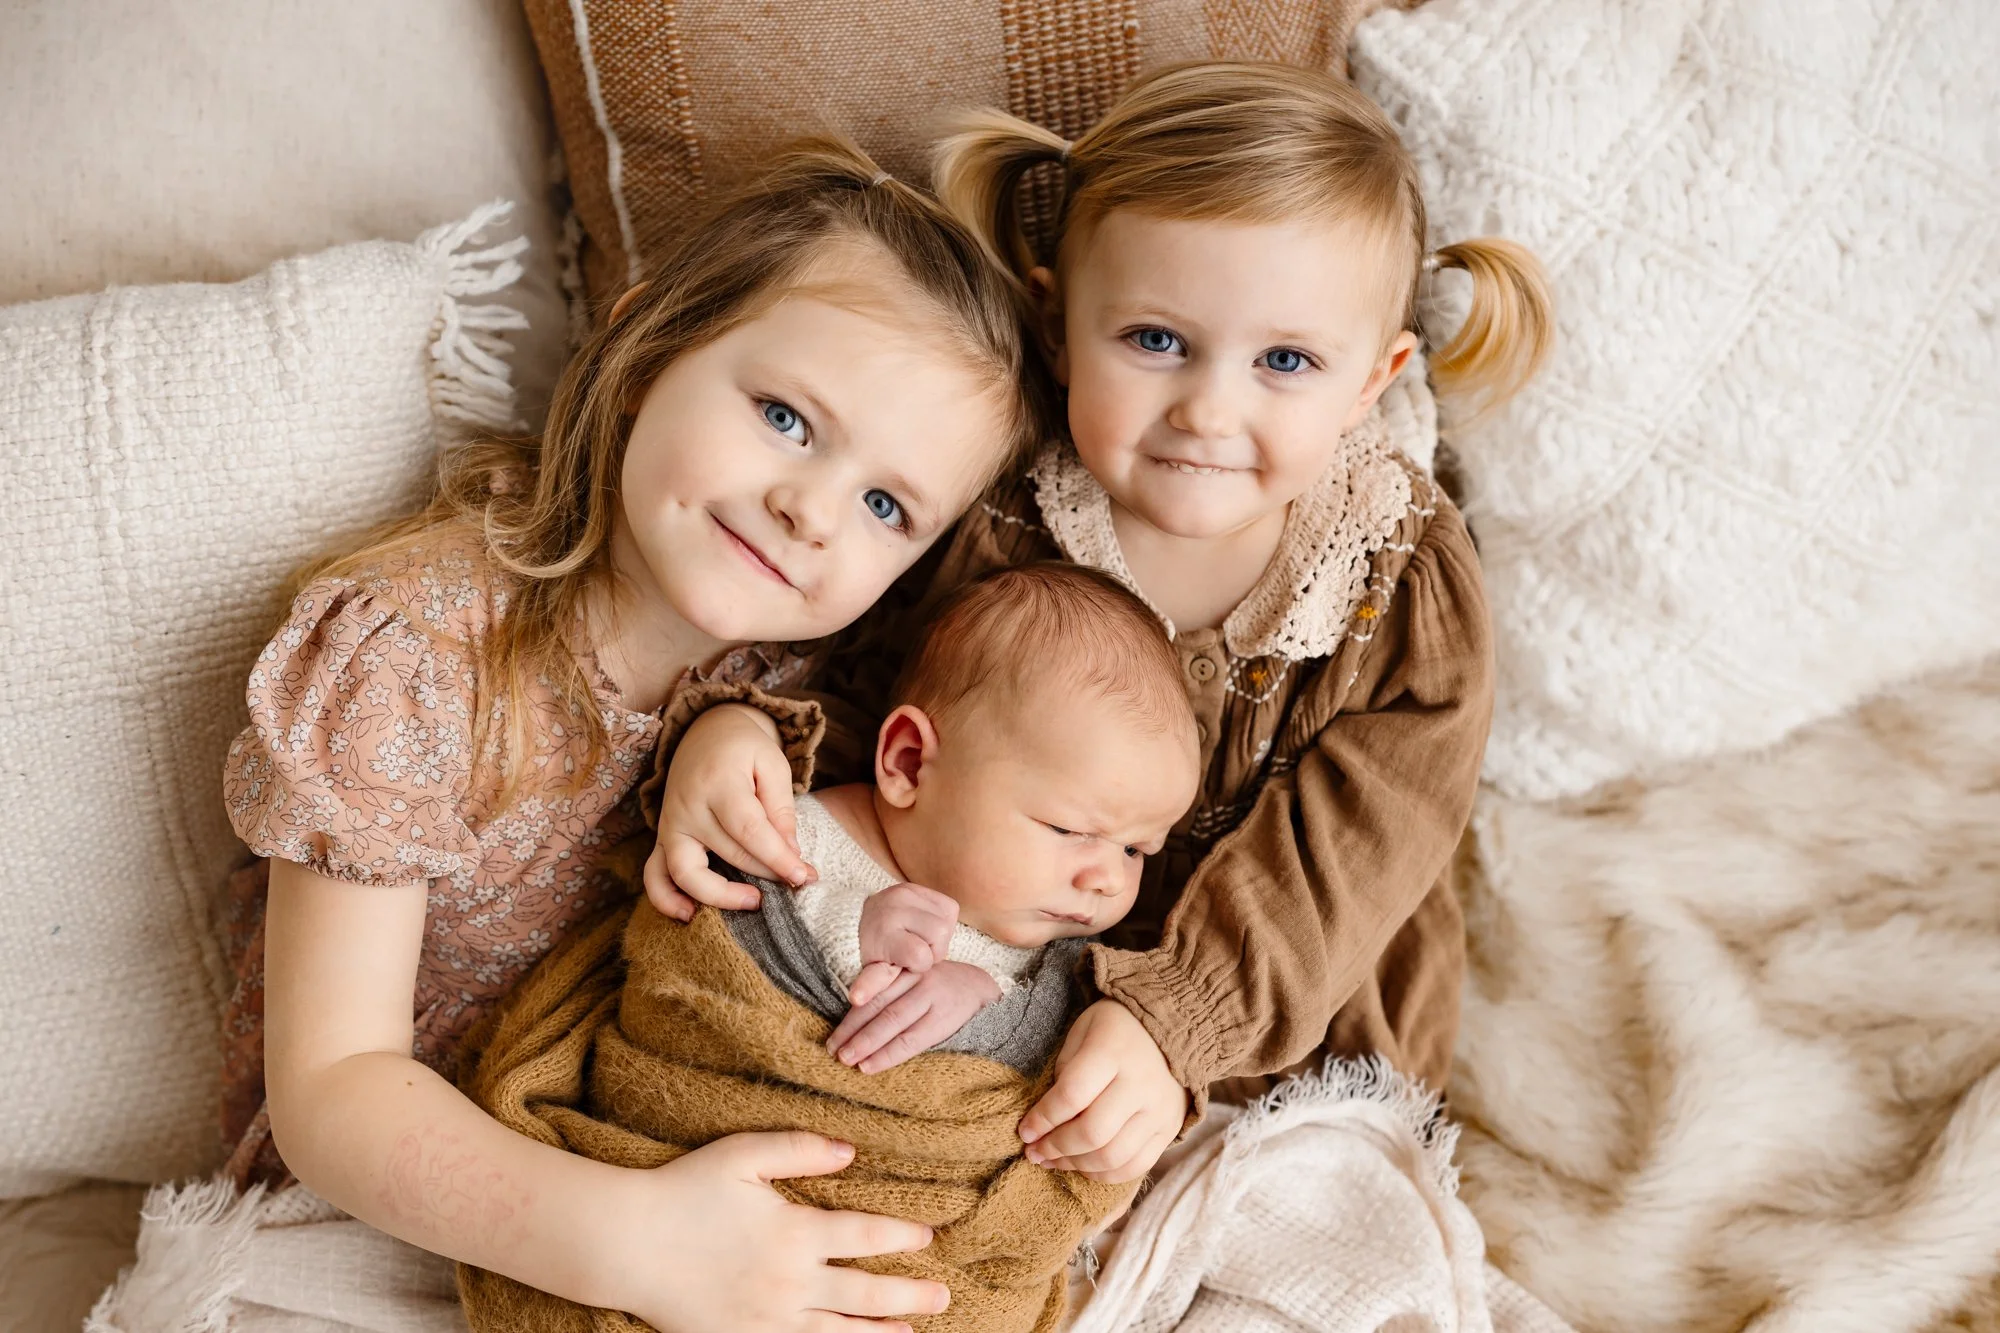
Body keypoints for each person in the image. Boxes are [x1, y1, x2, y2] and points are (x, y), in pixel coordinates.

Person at [648, 60, 1553, 1188]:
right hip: (975, 972)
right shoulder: (1005, 511)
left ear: (1371, 383)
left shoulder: (1395, 580)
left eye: (1285, 362)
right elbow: (875, 697)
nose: (1209, 410)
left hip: (1284, 1004)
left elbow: (1350, 862)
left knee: (1302, 1214)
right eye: (1155, 341)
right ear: (1057, 325)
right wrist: (743, 735)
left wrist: (1173, 1025)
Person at [217, 136, 1052, 1333]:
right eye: (782, 416)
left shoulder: (796, 677)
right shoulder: (416, 655)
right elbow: (334, 1091)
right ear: (643, 347)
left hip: (654, 1119)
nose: (809, 510)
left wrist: (733, 726)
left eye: (884, 506)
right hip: (413, 1196)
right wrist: (635, 1243)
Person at [454, 562, 1199, 1332]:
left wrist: (986, 1001)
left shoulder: (1054, 943)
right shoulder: (798, 831)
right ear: (909, 762)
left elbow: (1066, 1076)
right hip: (699, 1177)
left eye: (1138, 849)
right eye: (1072, 829)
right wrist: (859, 930)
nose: (1106, 881)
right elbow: (714, 925)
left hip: (902, 1247)